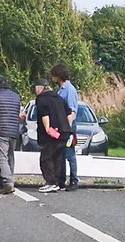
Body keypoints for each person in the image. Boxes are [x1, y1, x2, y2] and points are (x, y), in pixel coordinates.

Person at [33, 79, 72, 193]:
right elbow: (69, 113)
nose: (35, 90)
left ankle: (50, 182)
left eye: (36, 88)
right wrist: (67, 127)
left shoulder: (41, 99)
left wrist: (47, 128)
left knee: (46, 158)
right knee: (58, 158)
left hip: (51, 134)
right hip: (64, 132)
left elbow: (45, 115)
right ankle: (57, 183)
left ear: (41, 88)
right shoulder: (59, 98)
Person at [0, 77, 21, 194]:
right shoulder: (17, 96)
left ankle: (7, 182)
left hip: (2, 129)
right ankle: (9, 179)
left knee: (1, 157)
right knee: (10, 156)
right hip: (14, 131)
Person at [51, 63, 79, 191]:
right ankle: (62, 180)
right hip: (62, 127)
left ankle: (74, 180)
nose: (52, 78)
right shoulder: (61, 90)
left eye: (54, 76)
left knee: (70, 154)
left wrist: (67, 129)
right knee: (62, 154)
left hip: (68, 127)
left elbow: (72, 111)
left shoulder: (69, 90)